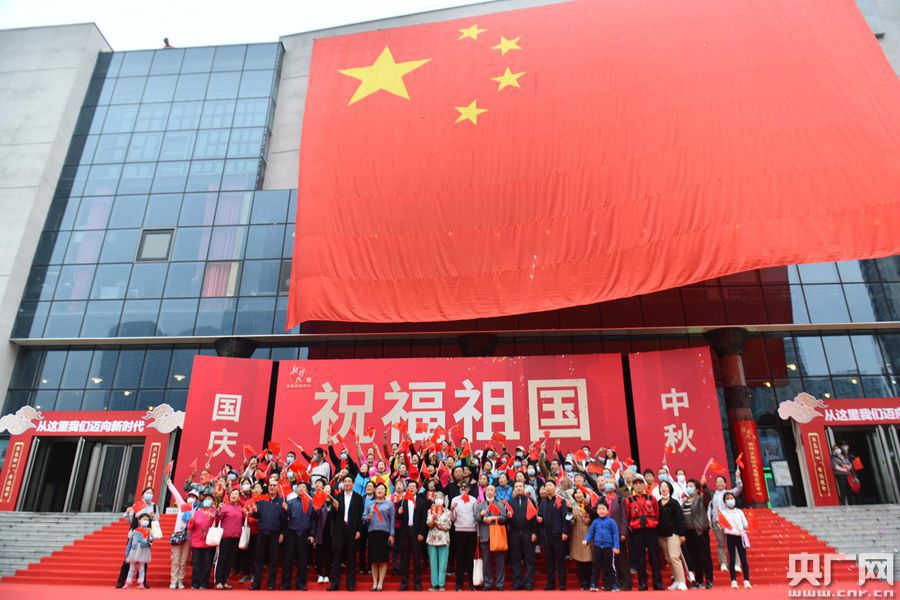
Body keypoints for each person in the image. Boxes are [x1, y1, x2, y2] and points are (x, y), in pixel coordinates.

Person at [116, 486, 159, 588]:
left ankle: (142, 582)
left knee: (143, 558)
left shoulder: (154, 506)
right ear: (143, 494)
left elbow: (157, 521)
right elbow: (130, 521)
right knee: (129, 557)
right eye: (147, 492)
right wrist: (127, 513)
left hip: (147, 535)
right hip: (134, 534)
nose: (149, 494)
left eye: (151, 493)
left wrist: (153, 517)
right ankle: (122, 580)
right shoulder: (137, 505)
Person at [627, 474, 663, 590]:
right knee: (640, 558)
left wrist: (652, 523)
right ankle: (643, 583)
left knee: (654, 557)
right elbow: (628, 515)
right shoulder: (629, 500)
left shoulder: (651, 498)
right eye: (636, 483)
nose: (638, 486)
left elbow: (657, 513)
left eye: (640, 483)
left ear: (644, 485)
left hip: (651, 530)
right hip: (637, 531)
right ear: (632, 486)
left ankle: (657, 583)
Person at [329, 475, 364, 591]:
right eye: (345, 481)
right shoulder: (337, 497)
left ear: (353, 484)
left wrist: (359, 530)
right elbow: (332, 516)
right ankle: (334, 584)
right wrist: (335, 508)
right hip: (340, 530)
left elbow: (361, 516)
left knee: (351, 557)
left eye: (349, 481)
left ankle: (351, 584)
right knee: (337, 558)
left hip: (352, 530)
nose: (347, 483)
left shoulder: (358, 498)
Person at [248, 480, 285, 590]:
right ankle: (256, 584)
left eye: (274, 485)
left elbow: (284, 520)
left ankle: (271, 584)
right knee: (258, 559)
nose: (272, 487)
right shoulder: (262, 500)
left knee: (273, 560)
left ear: (277, 488)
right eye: (270, 485)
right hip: (262, 532)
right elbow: (257, 515)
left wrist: (282, 533)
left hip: (275, 533)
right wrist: (255, 511)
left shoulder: (282, 501)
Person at [705, 469, 742, 572]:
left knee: (733, 542)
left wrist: (738, 477)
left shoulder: (729, 493)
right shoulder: (713, 495)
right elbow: (709, 508)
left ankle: (736, 563)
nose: (720, 483)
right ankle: (723, 563)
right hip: (717, 522)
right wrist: (709, 519)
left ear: (725, 484)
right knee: (721, 543)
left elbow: (739, 489)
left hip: (729, 522)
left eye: (722, 481)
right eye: (718, 482)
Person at [396, 479, 429, 591]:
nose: (411, 488)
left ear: (417, 488)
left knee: (417, 559)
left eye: (413, 486)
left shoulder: (422, 502)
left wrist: (421, 533)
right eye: (409, 486)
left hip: (416, 533)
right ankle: (404, 583)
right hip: (404, 533)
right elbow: (398, 517)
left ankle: (417, 583)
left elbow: (424, 518)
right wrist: (399, 513)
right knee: (404, 559)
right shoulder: (402, 502)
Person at [475, 484, 509, 591]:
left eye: (492, 490)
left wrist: (494, 518)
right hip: (485, 536)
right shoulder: (480, 505)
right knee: (486, 562)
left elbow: (504, 518)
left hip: (497, 535)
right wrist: (481, 516)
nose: (490, 491)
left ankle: (500, 584)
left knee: (500, 561)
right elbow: (476, 518)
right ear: (485, 492)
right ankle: (488, 583)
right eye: (488, 490)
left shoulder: (500, 504)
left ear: (495, 493)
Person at [363, 482, 395, 591]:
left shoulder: (389, 504)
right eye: (378, 489)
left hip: (384, 533)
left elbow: (392, 520)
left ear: (385, 492)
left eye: (382, 489)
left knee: (382, 559)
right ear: (375, 491)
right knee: (373, 559)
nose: (379, 490)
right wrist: (367, 517)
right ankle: (374, 583)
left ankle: (380, 583)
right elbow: (363, 517)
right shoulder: (370, 504)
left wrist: (392, 534)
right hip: (372, 533)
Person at [539, 480, 571, 590]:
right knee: (549, 561)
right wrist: (539, 519)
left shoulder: (561, 501)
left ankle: (562, 583)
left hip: (558, 535)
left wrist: (565, 531)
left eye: (550, 485)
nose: (548, 487)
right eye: (546, 486)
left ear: (555, 487)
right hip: (546, 536)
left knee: (560, 561)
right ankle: (550, 583)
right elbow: (540, 516)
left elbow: (567, 517)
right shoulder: (543, 503)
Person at [682, 478, 714, 589]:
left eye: (691, 486)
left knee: (705, 556)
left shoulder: (701, 499)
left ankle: (709, 579)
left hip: (700, 532)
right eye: (687, 486)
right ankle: (699, 580)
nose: (688, 488)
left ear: (696, 489)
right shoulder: (684, 502)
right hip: (688, 533)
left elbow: (708, 497)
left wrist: (704, 486)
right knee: (694, 557)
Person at [507, 480, 538, 590]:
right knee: (515, 559)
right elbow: (507, 521)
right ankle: (517, 583)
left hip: (528, 533)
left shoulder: (530, 501)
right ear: (514, 489)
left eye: (520, 486)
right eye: (516, 487)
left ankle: (529, 583)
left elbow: (534, 519)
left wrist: (534, 532)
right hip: (514, 534)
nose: (518, 488)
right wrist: (508, 517)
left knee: (529, 559)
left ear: (524, 488)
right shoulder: (510, 502)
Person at [164, 479, 195, 589]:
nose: (191, 498)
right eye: (190, 496)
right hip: (178, 535)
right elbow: (176, 493)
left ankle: (180, 580)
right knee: (176, 559)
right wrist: (170, 484)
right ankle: (174, 580)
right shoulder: (182, 505)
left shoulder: (196, 510)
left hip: (188, 537)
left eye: (194, 497)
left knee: (183, 560)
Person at [657, 480, 688, 590]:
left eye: (665, 486)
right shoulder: (657, 503)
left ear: (669, 489)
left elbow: (680, 519)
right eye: (661, 487)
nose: (663, 488)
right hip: (661, 535)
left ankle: (682, 581)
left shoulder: (674, 503)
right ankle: (676, 580)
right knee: (668, 559)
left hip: (673, 534)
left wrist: (682, 534)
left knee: (674, 557)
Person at [283, 486, 315, 590]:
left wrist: (312, 534)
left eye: (303, 487)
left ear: (307, 490)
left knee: (302, 560)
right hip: (291, 533)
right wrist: (285, 510)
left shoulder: (311, 503)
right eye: (299, 487)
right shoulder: (290, 502)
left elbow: (313, 520)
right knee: (288, 559)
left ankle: (301, 584)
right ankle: (286, 584)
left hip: (304, 534)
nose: (301, 489)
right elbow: (285, 518)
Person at [583, 501, 620, 592]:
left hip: (608, 547)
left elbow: (615, 535)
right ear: (597, 511)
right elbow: (590, 532)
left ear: (607, 511)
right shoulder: (595, 522)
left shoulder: (611, 522)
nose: (601, 511)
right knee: (596, 567)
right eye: (599, 509)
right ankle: (593, 584)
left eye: (603, 509)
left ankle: (614, 584)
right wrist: (586, 540)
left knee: (610, 567)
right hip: (597, 547)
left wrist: (616, 547)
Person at [718, 492, 751, 589]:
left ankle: (746, 580)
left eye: (731, 498)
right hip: (730, 536)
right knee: (731, 559)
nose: (730, 500)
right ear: (724, 501)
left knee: (743, 559)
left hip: (740, 536)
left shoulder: (739, 512)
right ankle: (733, 581)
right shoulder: (723, 512)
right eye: (727, 499)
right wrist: (722, 526)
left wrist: (744, 527)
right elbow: (721, 525)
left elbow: (745, 525)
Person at [450, 481, 478, 591]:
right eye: (461, 487)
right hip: (459, 531)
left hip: (472, 531)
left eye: (465, 487)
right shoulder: (455, 500)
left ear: (469, 489)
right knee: (460, 558)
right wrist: (452, 509)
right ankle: (459, 584)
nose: (463, 488)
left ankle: (471, 584)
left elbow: (476, 516)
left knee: (470, 559)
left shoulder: (473, 500)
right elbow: (452, 519)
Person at [215, 488, 244, 589]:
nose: (234, 495)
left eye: (236, 494)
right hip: (225, 537)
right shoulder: (224, 507)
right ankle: (218, 581)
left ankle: (225, 580)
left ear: (239, 497)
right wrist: (218, 511)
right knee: (222, 558)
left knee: (230, 560)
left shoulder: (241, 508)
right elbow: (217, 519)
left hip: (236, 537)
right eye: (232, 493)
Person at [187, 493, 217, 589]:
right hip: (197, 541)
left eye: (210, 499)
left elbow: (219, 522)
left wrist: (214, 518)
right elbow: (190, 527)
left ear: (213, 502)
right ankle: (195, 583)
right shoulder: (197, 512)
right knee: (196, 564)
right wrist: (191, 521)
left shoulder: (215, 512)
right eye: (206, 499)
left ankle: (204, 583)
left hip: (209, 542)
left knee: (207, 564)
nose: (207, 500)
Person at [426, 491, 452, 591]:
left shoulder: (447, 512)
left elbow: (447, 526)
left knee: (443, 563)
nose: (439, 499)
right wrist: (433, 519)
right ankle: (434, 584)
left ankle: (441, 584)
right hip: (432, 539)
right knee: (433, 563)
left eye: (441, 497)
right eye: (437, 497)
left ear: (444, 500)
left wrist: (437, 524)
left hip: (444, 539)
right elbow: (429, 524)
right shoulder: (430, 511)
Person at [568, 487, 594, 590]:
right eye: (576, 493)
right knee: (579, 560)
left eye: (580, 493)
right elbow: (569, 518)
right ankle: (582, 582)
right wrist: (569, 510)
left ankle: (589, 581)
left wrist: (586, 505)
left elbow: (593, 515)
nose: (578, 495)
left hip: (588, 533)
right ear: (574, 496)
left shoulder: (589, 505)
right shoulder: (572, 506)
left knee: (589, 559)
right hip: (577, 533)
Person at [122, 514, 154, 589]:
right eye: (144, 519)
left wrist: (151, 540)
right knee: (131, 568)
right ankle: (128, 583)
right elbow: (130, 542)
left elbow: (151, 542)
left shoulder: (149, 530)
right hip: (134, 551)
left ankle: (141, 583)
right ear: (139, 521)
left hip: (143, 551)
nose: (146, 521)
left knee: (141, 568)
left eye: (147, 520)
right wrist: (127, 552)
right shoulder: (135, 531)